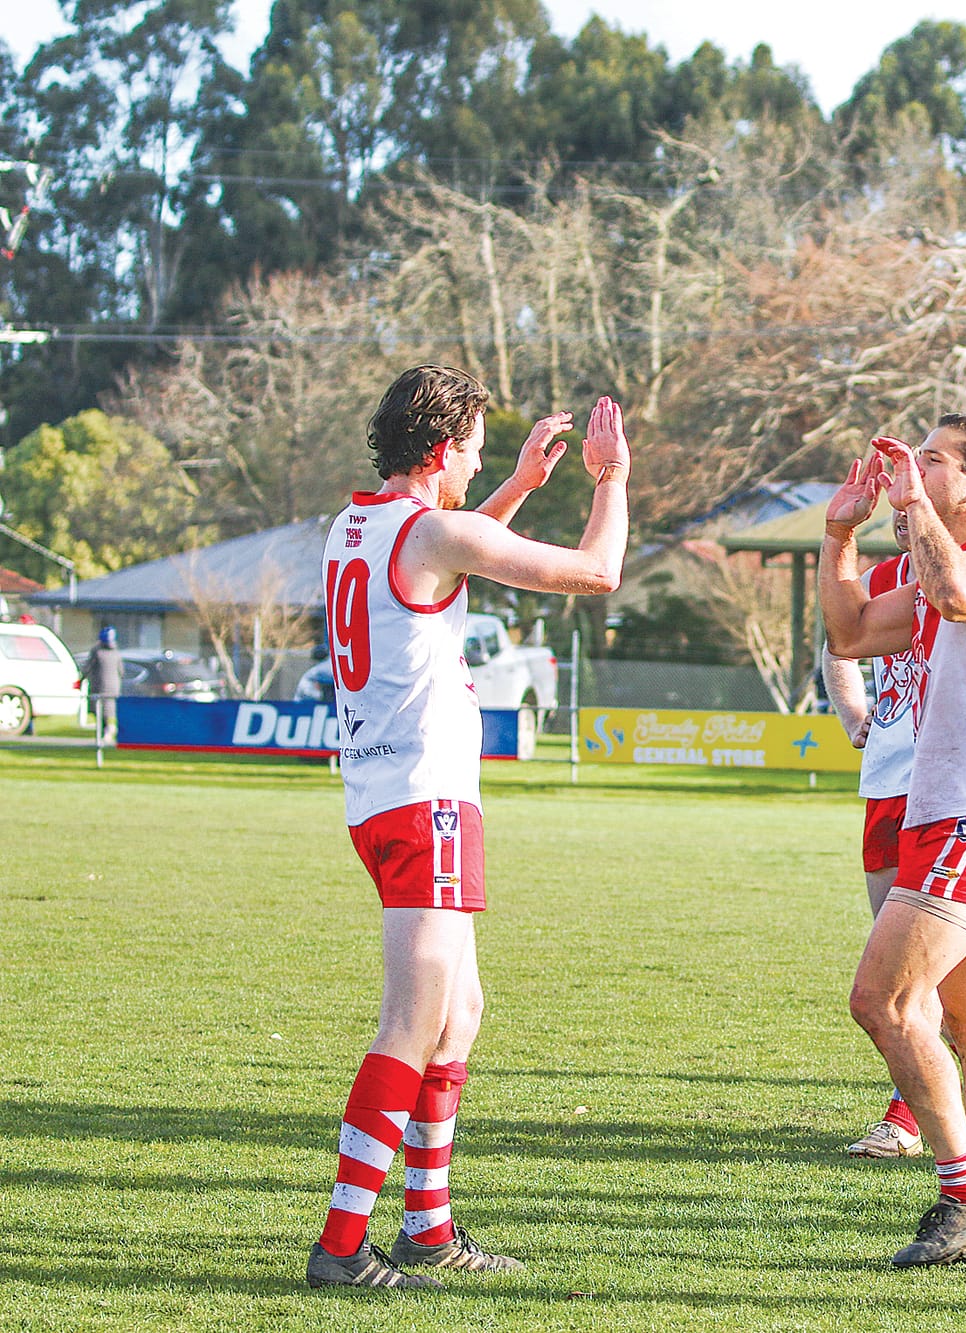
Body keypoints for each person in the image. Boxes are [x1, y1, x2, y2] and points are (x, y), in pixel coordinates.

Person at [307, 365, 630, 1290]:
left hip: (381, 800)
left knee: (459, 1015)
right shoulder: (436, 528)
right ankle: (340, 1246)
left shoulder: (359, 521)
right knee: (410, 1025)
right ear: (443, 450)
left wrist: (523, 481)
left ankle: (429, 1226)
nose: (481, 459)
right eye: (478, 447)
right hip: (427, 803)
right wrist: (607, 478)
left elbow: (451, 542)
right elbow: (596, 572)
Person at [820, 412, 966, 1268]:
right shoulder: (930, 568)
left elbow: (963, 595)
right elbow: (849, 633)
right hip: (956, 814)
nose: (911, 469)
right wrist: (840, 531)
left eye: (934, 460)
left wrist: (913, 507)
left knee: (883, 1002)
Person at [823, 512, 928, 1159]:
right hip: (885, 783)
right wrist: (852, 712)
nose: (900, 514)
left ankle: (907, 1115)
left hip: (948, 789)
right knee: (894, 956)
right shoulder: (879, 579)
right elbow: (835, 646)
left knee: (921, 964)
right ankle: (923, 1105)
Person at [85, 627, 122, 741]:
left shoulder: (97, 651)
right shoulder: (117, 653)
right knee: (109, 710)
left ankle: (106, 730)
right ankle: (109, 729)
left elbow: (88, 667)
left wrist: (82, 677)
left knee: (99, 710)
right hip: (114, 687)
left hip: (98, 686)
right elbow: (121, 671)